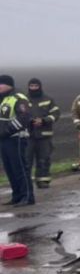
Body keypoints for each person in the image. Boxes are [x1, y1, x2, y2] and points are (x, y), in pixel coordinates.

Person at [0, 75, 35, 206]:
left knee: (20, 168)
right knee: (9, 169)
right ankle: (17, 195)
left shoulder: (19, 98)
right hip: (4, 140)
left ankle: (27, 197)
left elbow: (24, 118)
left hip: (17, 139)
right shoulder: (3, 99)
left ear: (8, 85)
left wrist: (5, 132)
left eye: (0, 84)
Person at [26, 78, 61, 188]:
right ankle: (26, 182)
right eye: (31, 86)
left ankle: (43, 180)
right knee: (26, 160)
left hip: (44, 135)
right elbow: (19, 115)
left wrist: (44, 120)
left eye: (36, 86)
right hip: (28, 136)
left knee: (44, 159)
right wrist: (31, 121)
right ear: (28, 87)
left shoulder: (48, 99)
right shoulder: (24, 100)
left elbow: (55, 113)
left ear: (40, 86)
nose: (34, 88)